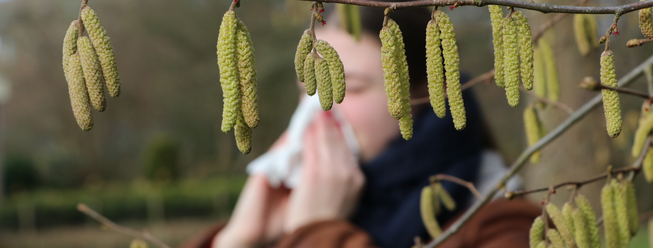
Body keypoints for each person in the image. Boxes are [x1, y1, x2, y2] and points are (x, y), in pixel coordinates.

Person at [181, 5, 541, 248]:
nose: (319, 110)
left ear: (423, 93)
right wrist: (235, 240)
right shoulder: (280, 217)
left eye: (349, 87)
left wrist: (316, 231)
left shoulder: (506, 227)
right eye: (307, 90)